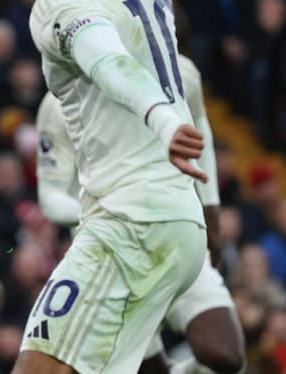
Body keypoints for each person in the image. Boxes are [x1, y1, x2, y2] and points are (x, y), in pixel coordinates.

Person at [0, 0, 207, 373]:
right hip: (177, 221)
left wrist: (163, 120)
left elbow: (108, 62)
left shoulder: (57, 1)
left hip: (131, 224)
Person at [35, 54, 245, 374]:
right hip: (112, 256)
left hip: (176, 235)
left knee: (226, 356)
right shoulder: (58, 103)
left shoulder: (178, 72)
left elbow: (200, 124)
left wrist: (211, 208)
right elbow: (50, 195)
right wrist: (111, 213)